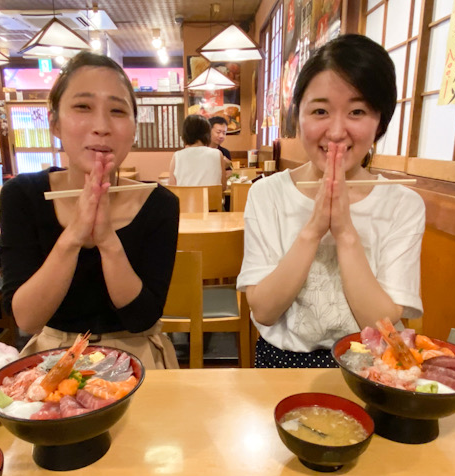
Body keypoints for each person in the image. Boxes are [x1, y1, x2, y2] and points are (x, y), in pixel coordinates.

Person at [236, 34, 425, 368]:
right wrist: (313, 229)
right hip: (282, 363)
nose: (337, 132)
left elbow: (382, 330)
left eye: (357, 111)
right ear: (298, 115)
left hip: (373, 366)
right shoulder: (266, 194)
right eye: (320, 110)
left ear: (379, 120)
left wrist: (345, 233)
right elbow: (263, 311)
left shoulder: (402, 204)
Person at [0, 51, 180, 369]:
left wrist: (108, 240)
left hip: (137, 353)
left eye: (118, 111)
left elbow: (141, 318)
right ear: (54, 122)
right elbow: (27, 319)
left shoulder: (160, 203)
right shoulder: (23, 196)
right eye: (83, 107)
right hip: (51, 355)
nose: (101, 126)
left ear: (133, 129)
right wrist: (73, 238)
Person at [168, 115, 225, 187]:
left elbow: (173, 188)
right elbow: (223, 187)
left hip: (185, 198)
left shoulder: (177, 156)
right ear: (207, 134)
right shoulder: (217, 154)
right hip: (212, 198)